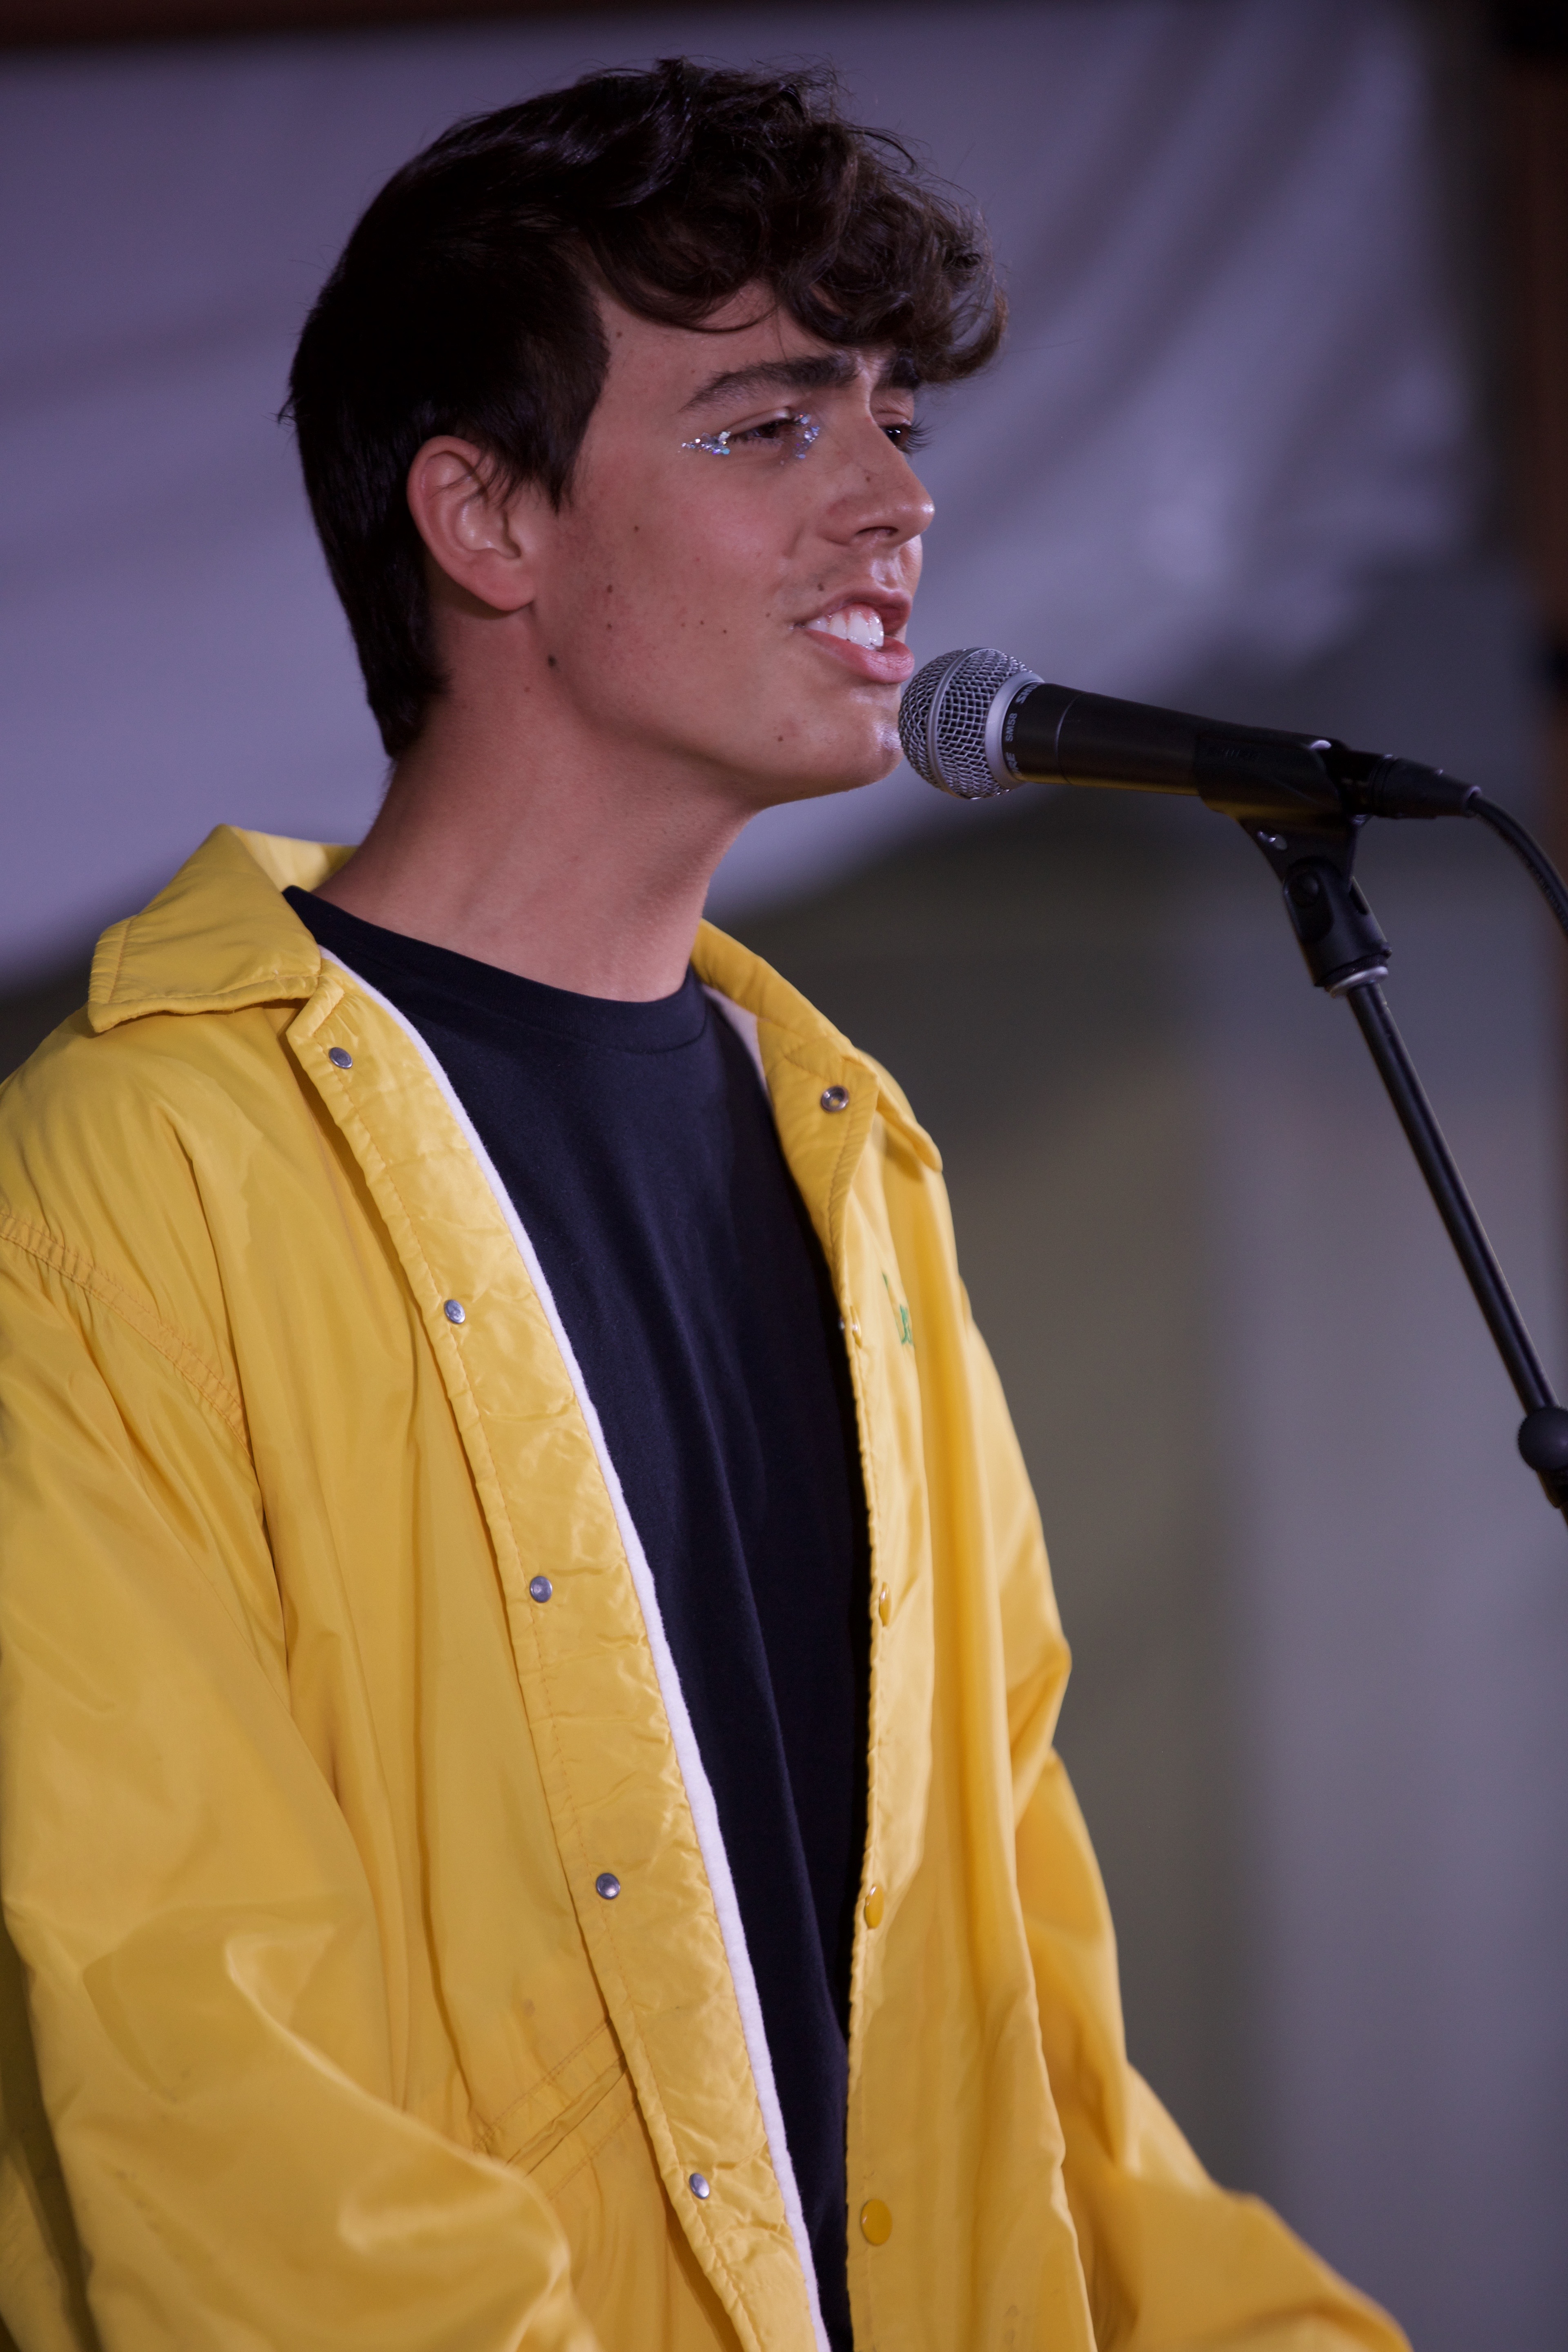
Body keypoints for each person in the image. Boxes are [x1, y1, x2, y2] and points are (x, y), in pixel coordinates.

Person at [0, 59, 1405, 2352]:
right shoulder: (119, 1183)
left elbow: (1029, 2051)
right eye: (769, 428)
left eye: (897, 424)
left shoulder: (859, 1171)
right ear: (486, 518)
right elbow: (211, 2092)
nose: (898, 503)